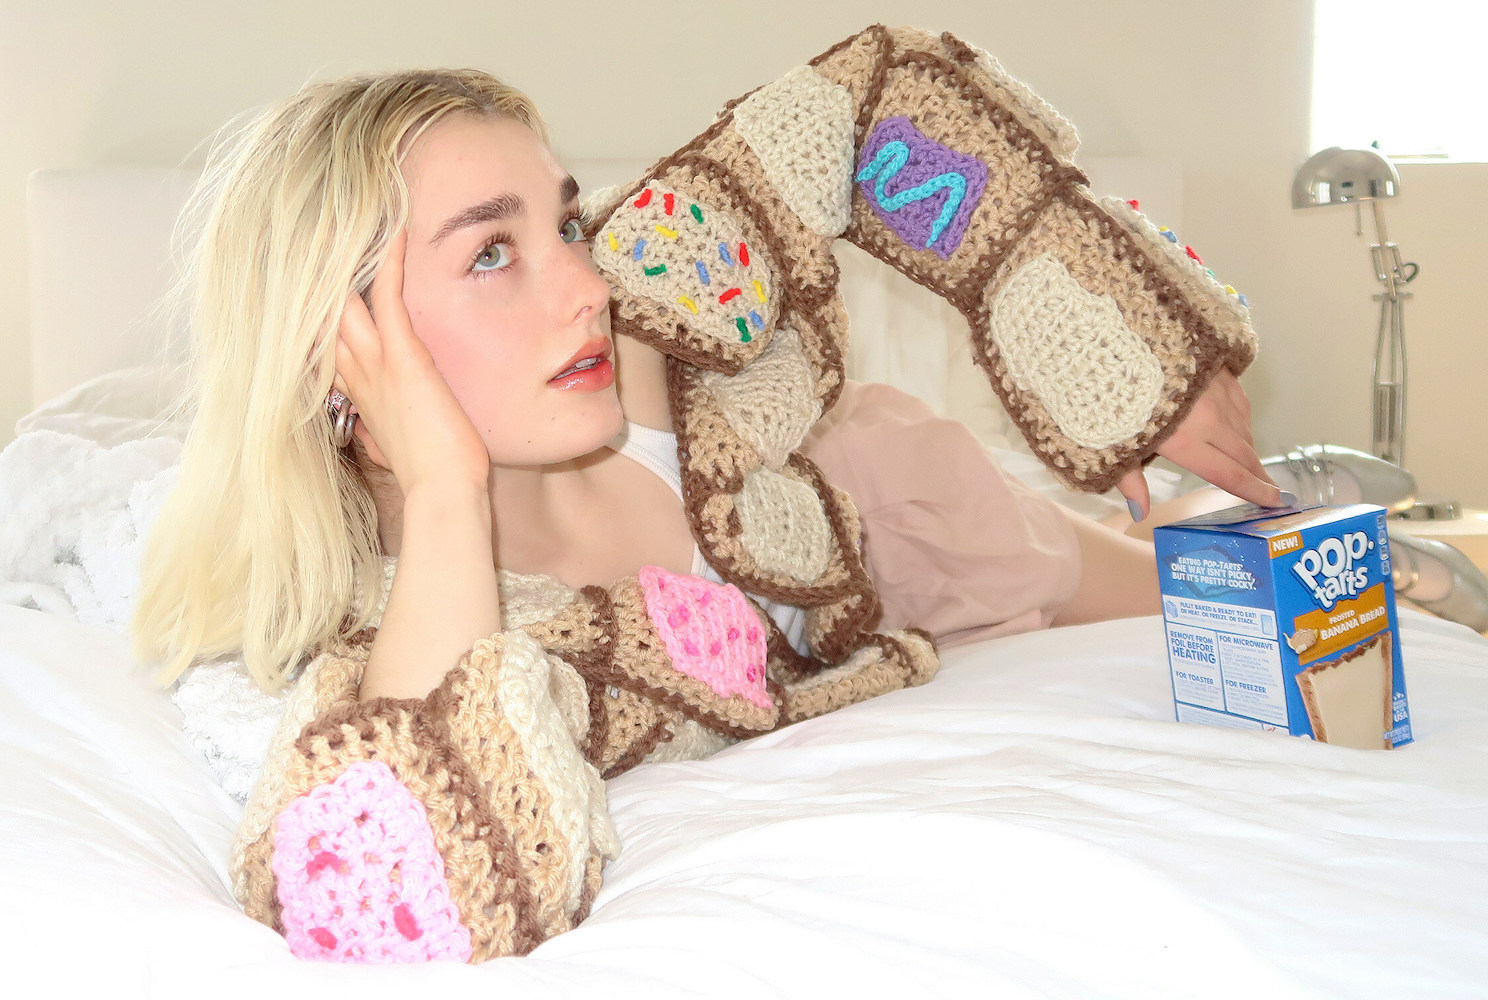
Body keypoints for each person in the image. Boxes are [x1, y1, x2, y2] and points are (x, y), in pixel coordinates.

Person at [131, 29, 1295, 965]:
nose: (589, 283)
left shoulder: (657, 307)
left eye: (566, 220)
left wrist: (1119, 337)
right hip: (868, 597)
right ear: (340, 348)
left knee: (1249, 591)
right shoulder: (401, 623)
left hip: (898, 503)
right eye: (492, 252)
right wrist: (441, 485)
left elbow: (866, 110)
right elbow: (405, 906)